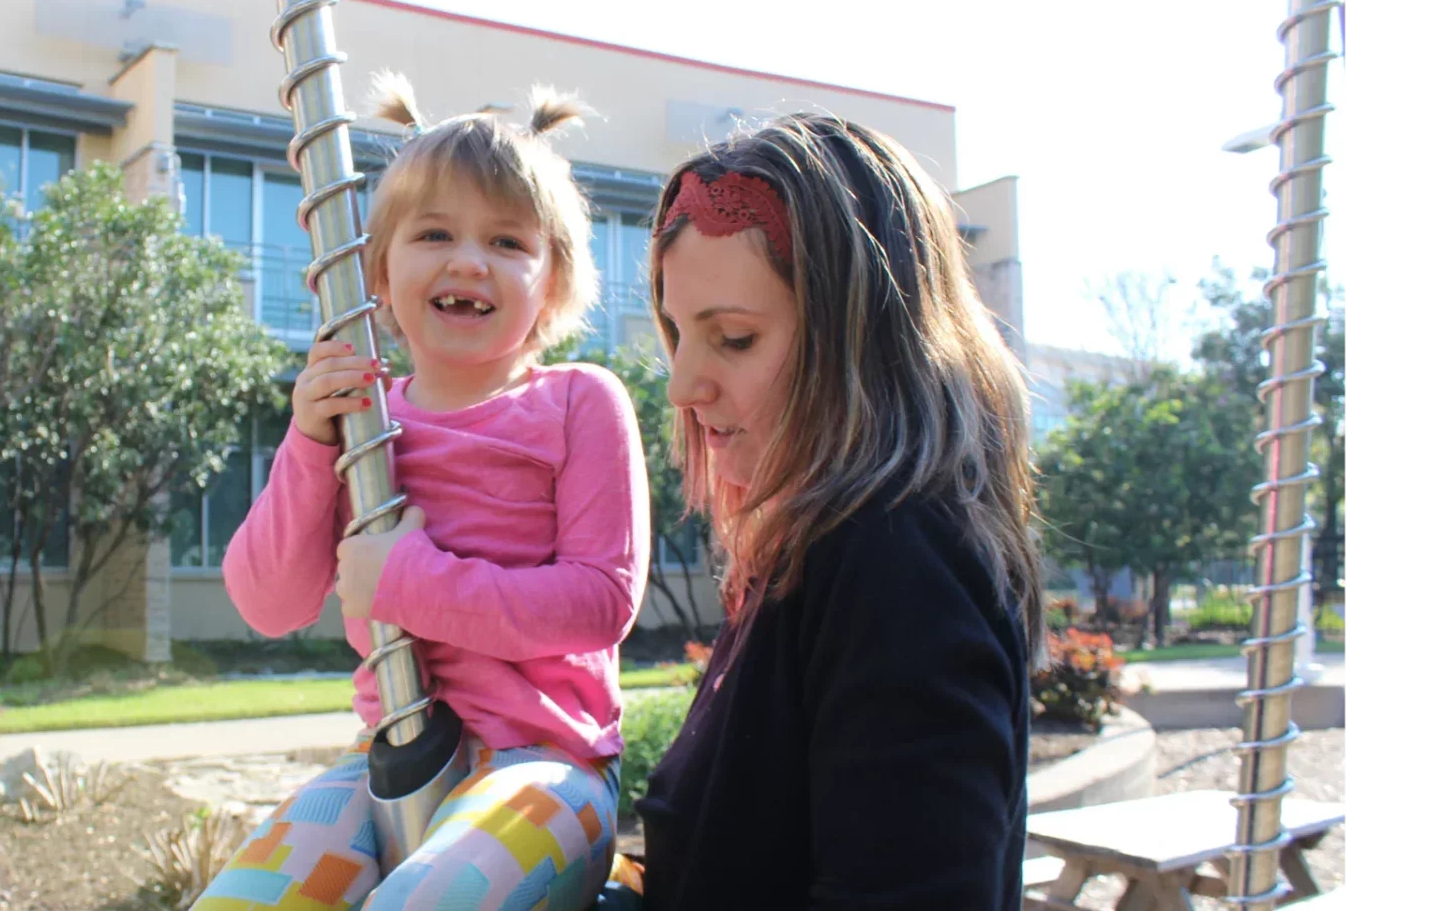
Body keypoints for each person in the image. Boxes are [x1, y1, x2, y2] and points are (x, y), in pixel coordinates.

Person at [198, 73, 649, 911]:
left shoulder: (579, 402)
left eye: (507, 242)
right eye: (435, 232)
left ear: (553, 282)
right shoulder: (362, 426)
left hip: (550, 768)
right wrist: (309, 443)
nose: (468, 260)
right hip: (391, 760)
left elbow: (601, 601)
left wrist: (411, 580)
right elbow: (268, 602)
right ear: (376, 271)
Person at [632, 113, 1044, 909]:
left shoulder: (895, 564)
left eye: (735, 338)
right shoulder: (821, 551)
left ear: (865, 346)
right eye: (678, 334)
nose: (682, 385)